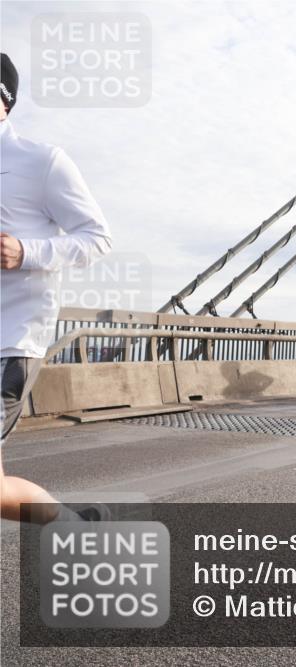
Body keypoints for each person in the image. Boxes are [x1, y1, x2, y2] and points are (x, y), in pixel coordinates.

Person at [1, 53, 113, 524]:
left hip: (9, 339)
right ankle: (76, 527)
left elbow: (97, 239)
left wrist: (26, 252)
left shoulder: (41, 161)